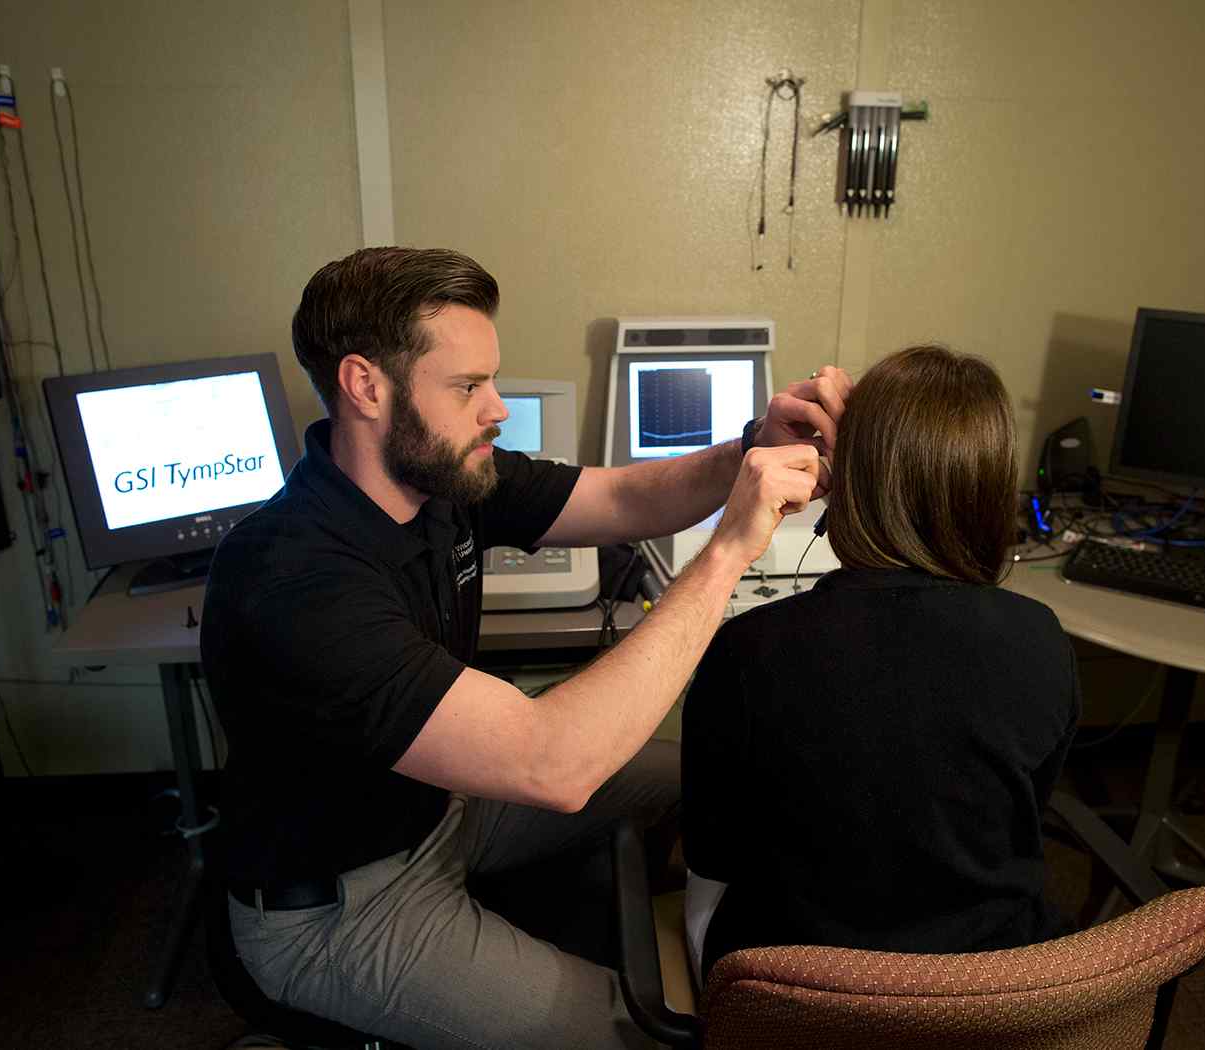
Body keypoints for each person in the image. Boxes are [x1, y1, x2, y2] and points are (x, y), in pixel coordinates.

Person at [199, 246, 851, 1050]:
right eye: (468, 387)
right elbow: (554, 764)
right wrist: (728, 550)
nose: (497, 409)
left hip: (445, 809)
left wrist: (751, 448)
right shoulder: (291, 578)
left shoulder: (442, 480)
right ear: (366, 385)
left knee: (704, 775)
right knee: (642, 1035)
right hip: (343, 904)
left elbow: (619, 497)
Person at [681, 344, 1080, 982]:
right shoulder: (1042, 638)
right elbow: (1021, 813)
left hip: (797, 989)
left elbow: (714, 851)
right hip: (989, 985)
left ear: (844, 489)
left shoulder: (748, 649)